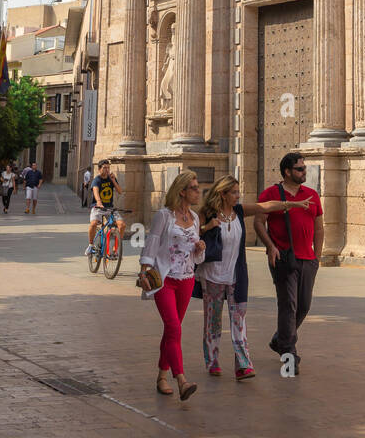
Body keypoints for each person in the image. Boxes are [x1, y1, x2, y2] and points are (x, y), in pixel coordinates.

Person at [195, 175, 313, 381]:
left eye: (238, 192)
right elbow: (193, 235)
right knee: (213, 322)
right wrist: (207, 227)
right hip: (212, 275)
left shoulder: (239, 211)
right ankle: (212, 361)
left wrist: (291, 204)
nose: (237, 195)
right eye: (233, 192)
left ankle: (243, 364)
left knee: (239, 321)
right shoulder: (207, 213)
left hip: (236, 275)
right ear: (222, 194)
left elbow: (265, 206)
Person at [137, 170, 205, 401]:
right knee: (175, 328)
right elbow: (152, 243)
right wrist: (145, 268)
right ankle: (181, 380)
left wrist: (199, 249)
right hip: (164, 278)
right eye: (195, 188)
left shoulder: (195, 218)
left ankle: (161, 376)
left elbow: (193, 252)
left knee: (171, 331)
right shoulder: (164, 216)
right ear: (182, 191)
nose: (199, 191)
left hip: (186, 279)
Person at [254, 152, 323, 375]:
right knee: (288, 305)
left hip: (307, 259)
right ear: (287, 172)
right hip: (283, 258)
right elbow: (258, 222)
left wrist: (317, 257)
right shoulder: (272, 194)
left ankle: (279, 339)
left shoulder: (312, 195)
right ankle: (289, 353)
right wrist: (270, 246)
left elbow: (319, 227)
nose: (305, 172)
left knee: (303, 305)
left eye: (305, 168)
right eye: (300, 169)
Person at [85, 161, 126, 255]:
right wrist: (99, 202)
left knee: (122, 225)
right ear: (99, 169)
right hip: (98, 208)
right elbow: (95, 190)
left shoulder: (111, 178)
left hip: (109, 208)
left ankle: (115, 249)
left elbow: (120, 191)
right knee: (94, 224)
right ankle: (90, 245)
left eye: (108, 167)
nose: (107, 170)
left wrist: (114, 180)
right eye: (104, 168)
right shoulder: (97, 180)